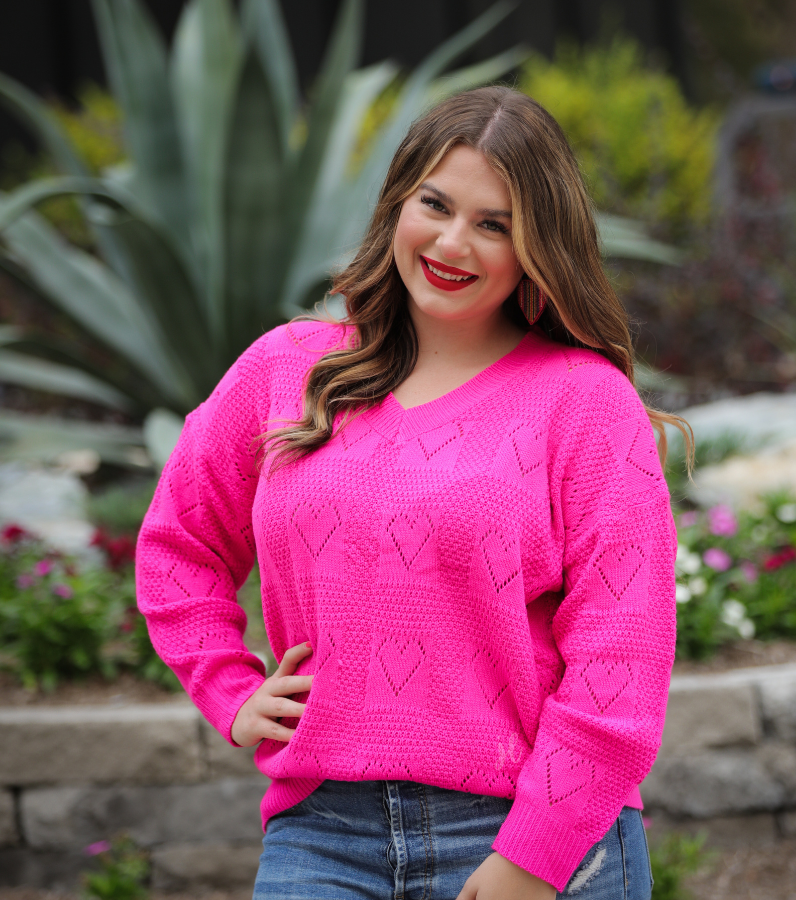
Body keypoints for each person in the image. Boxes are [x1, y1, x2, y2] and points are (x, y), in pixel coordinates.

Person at [136, 86, 691, 900]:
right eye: (435, 204)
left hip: (526, 832)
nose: (452, 242)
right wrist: (229, 688)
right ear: (399, 201)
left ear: (536, 246)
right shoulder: (286, 368)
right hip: (322, 832)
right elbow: (177, 544)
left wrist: (535, 855)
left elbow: (622, 657)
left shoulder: (585, 401)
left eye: (494, 224)